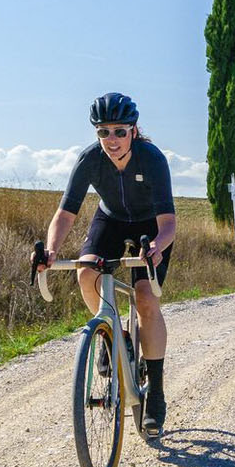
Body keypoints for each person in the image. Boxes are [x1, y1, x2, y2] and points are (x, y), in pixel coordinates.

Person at [35, 92, 176, 437]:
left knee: (145, 297)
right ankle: (113, 335)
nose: (111, 140)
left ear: (133, 130)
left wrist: (156, 246)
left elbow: (169, 222)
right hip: (110, 220)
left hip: (149, 227)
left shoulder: (151, 159)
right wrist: (51, 250)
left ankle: (154, 393)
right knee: (86, 272)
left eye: (119, 132)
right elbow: (66, 213)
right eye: (103, 132)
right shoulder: (90, 160)